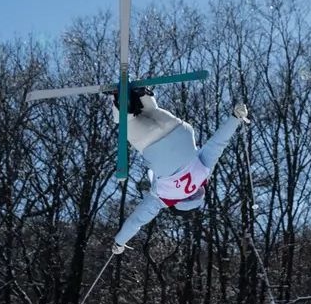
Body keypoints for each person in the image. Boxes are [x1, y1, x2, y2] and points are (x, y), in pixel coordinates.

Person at [105, 89, 250, 252]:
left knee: (152, 112)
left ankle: (143, 96)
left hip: (179, 130)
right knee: (126, 122)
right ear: (177, 204)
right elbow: (136, 220)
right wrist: (119, 242)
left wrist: (235, 118)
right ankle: (121, 103)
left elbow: (217, 143)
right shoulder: (164, 199)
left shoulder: (203, 175)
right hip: (150, 143)